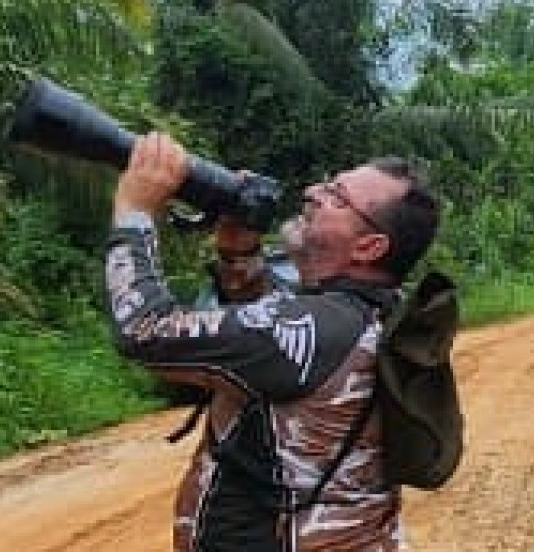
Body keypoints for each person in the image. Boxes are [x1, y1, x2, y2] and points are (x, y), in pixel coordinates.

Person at [104, 132, 441, 551]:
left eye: (337, 197)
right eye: (326, 183)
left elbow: (145, 330)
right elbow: (274, 353)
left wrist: (135, 211)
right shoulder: (375, 315)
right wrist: (237, 256)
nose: (312, 192)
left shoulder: (317, 327)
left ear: (369, 247)